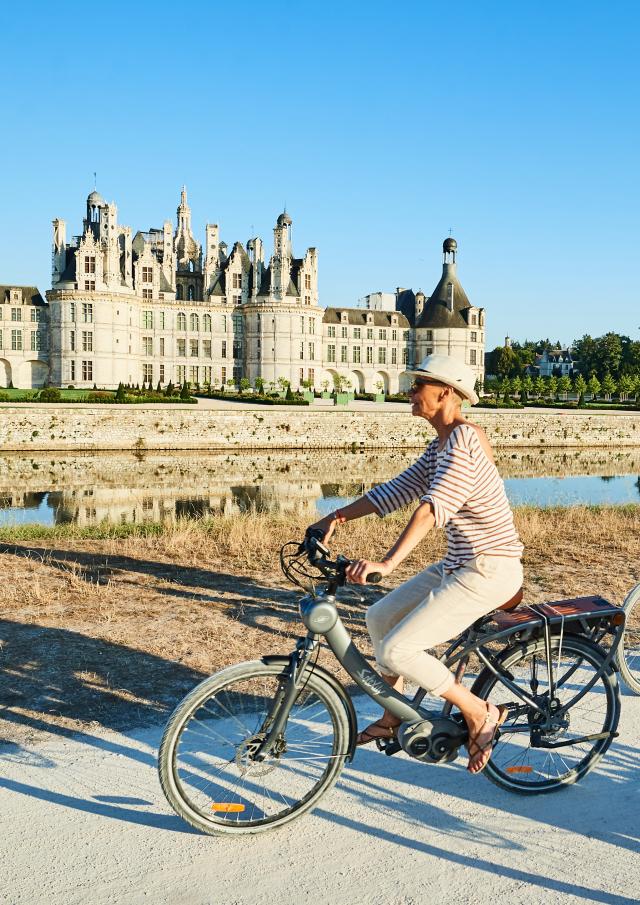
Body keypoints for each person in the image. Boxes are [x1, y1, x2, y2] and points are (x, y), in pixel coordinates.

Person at [308, 354, 524, 773]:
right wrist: (332, 518)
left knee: (398, 648)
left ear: (445, 392)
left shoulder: (464, 440)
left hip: (489, 568)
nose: (410, 392)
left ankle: (480, 712)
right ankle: (393, 716)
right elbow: (396, 491)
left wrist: (387, 563)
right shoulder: (439, 445)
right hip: (459, 565)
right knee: (379, 618)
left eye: (418, 384)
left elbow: (431, 508)